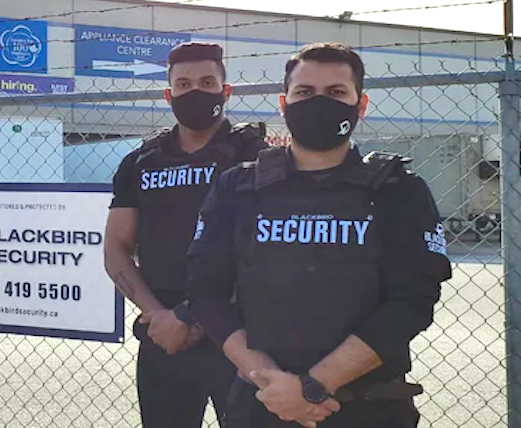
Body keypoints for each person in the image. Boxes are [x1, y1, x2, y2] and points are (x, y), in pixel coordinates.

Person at [186, 43, 453, 428]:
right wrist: (273, 385)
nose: (319, 103)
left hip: (368, 408)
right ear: (284, 103)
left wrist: (313, 386)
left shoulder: (399, 190)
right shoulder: (239, 186)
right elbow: (205, 291)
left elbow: (413, 301)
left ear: (360, 106)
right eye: (305, 92)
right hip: (262, 403)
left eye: (336, 92)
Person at [103, 42, 267, 428]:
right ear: (168, 94)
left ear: (225, 92)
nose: (196, 91)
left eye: (208, 82)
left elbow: (265, 249)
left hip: (241, 336)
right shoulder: (141, 162)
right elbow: (116, 248)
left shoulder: (257, 157)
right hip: (165, 338)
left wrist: (190, 316)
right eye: (184, 83)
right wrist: (158, 315)